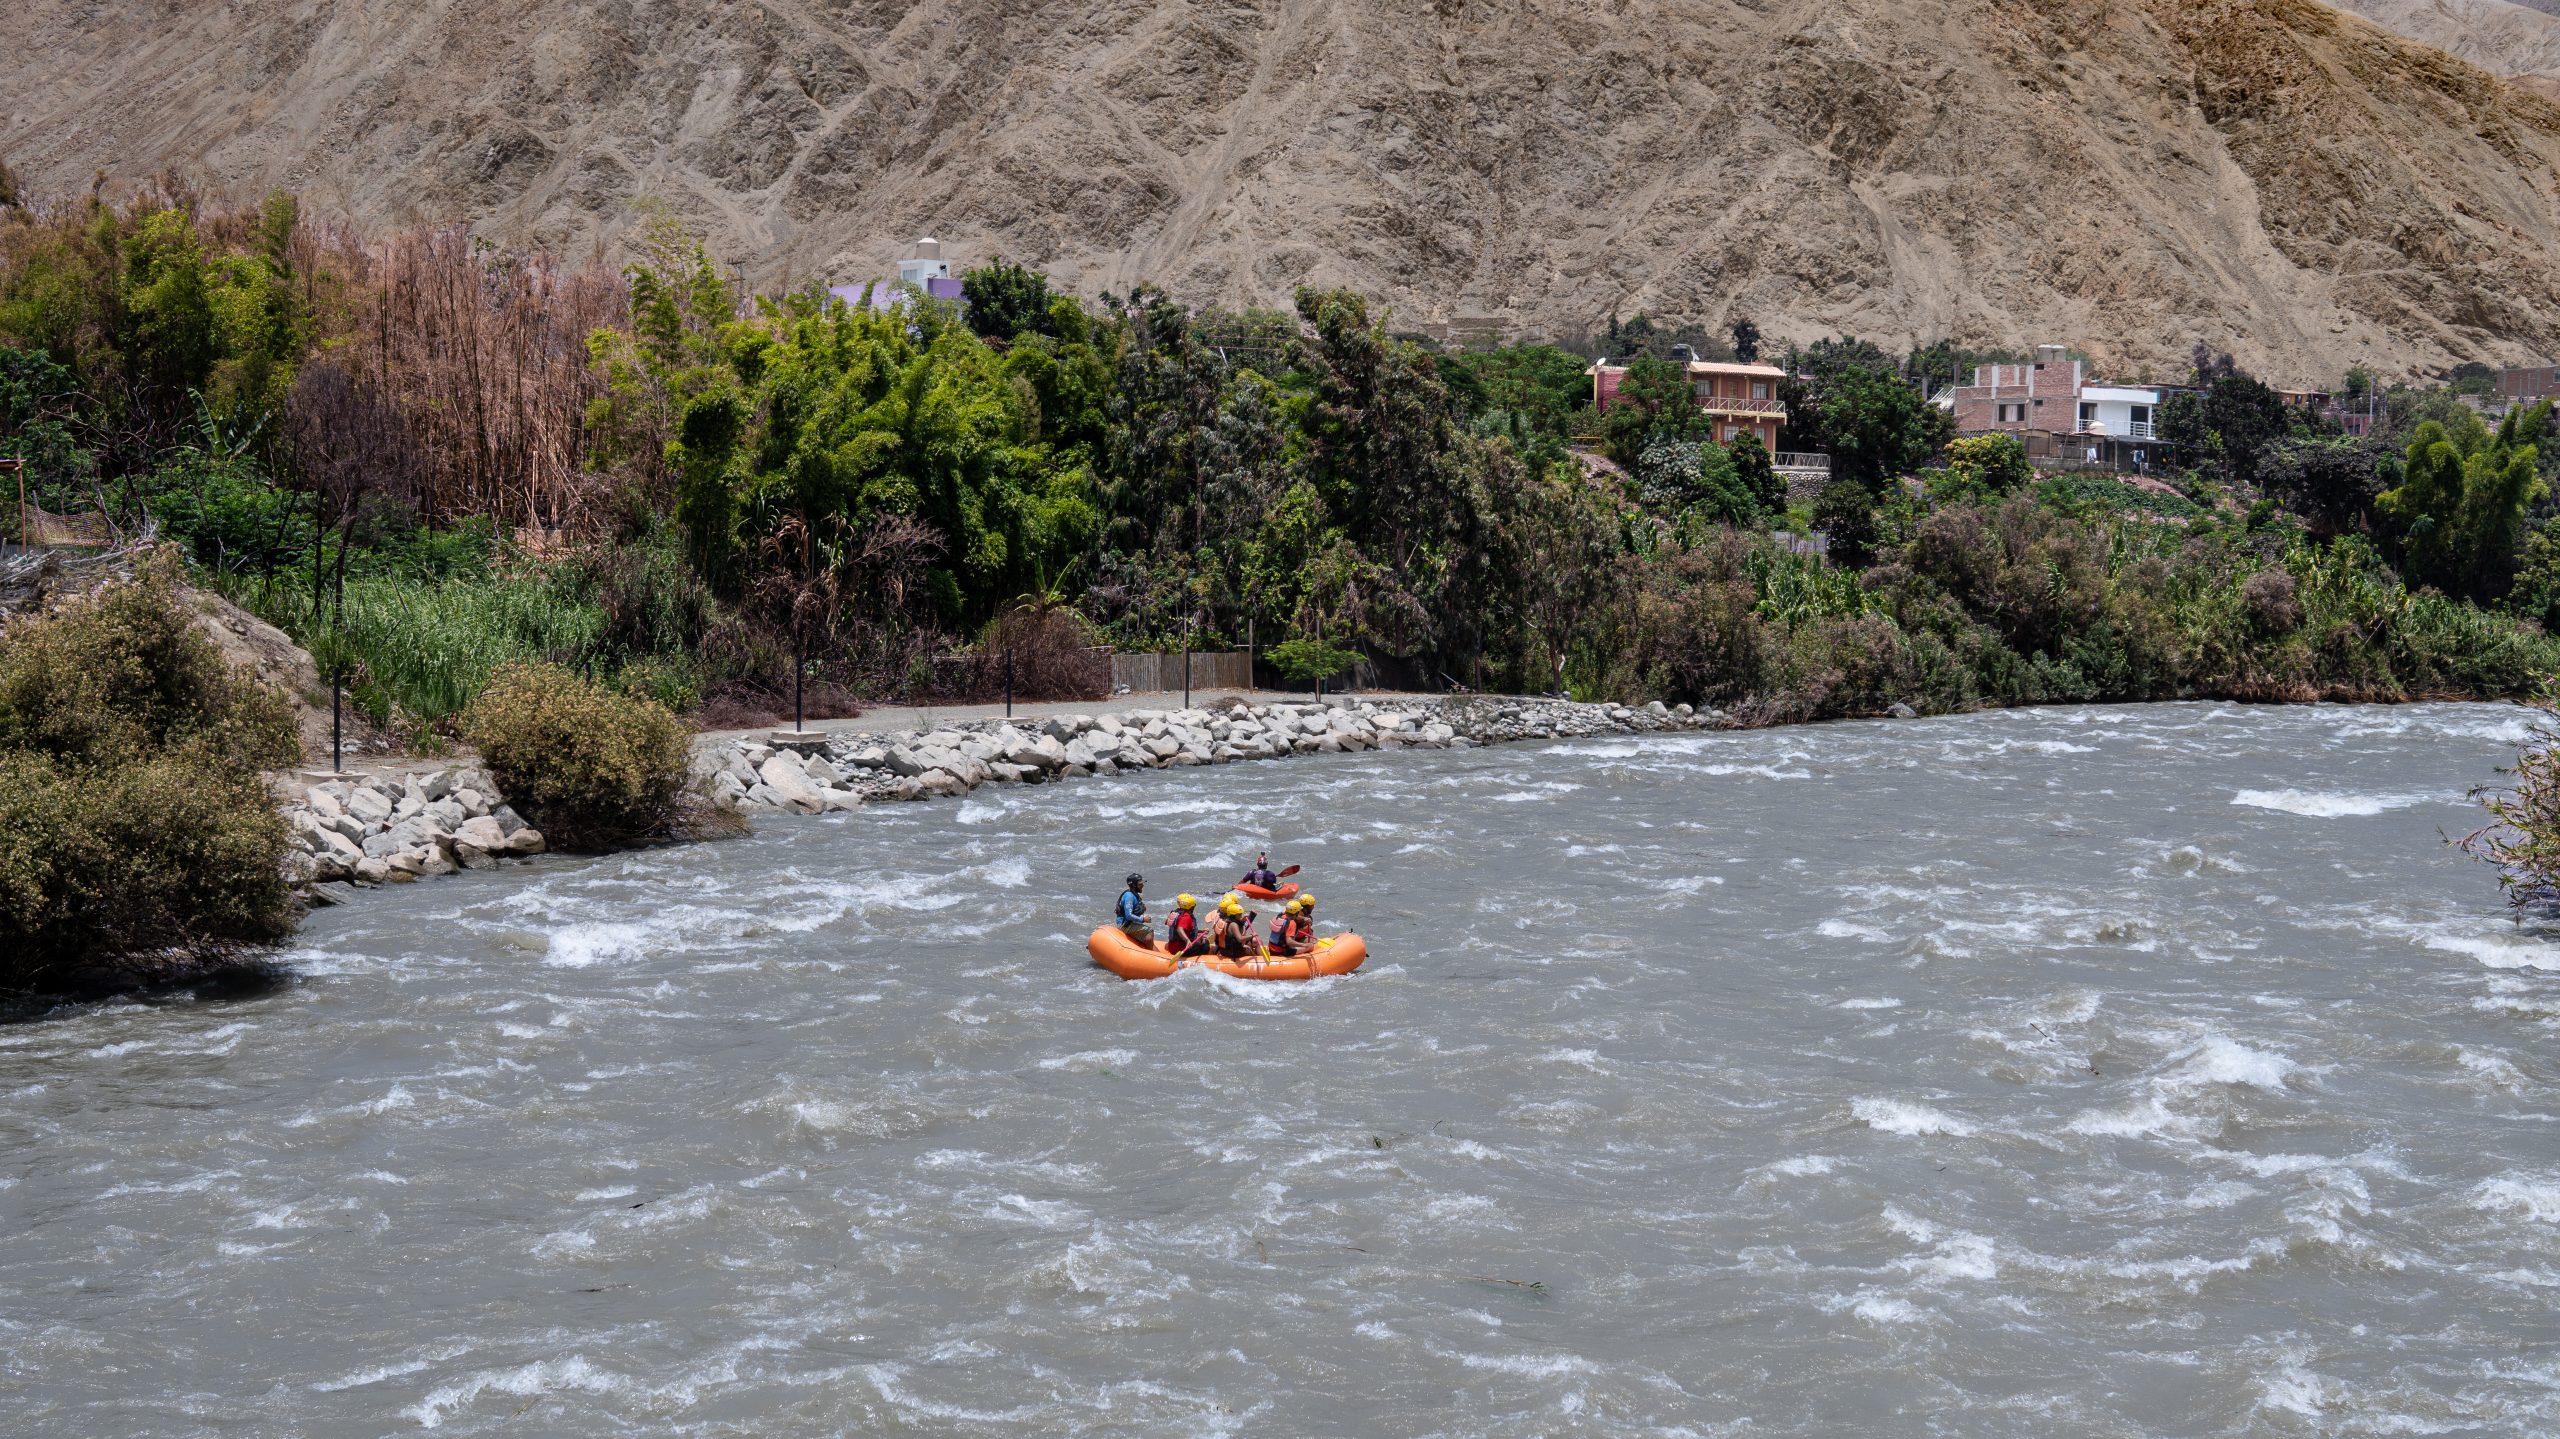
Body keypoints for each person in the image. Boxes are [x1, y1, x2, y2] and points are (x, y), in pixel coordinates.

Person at [1210, 893, 1258, 959]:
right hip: (1228, 948)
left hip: (1224, 945)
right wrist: (1251, 917)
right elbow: (1241, 932)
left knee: (1251, 942)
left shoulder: (1220, 917)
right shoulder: (1231, 923)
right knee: (1251, 944)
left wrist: (1243, 920)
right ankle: (1259, 960)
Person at [1115, 873, 1151, 946]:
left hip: (1129, 923)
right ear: (1134, 885)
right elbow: (1128, 915)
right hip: (1124, 925)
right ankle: (1152, 952)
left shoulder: (1133, 894)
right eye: (1140, 884)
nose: (1142, 885)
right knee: (1150, 931)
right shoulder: (1129, 896)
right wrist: (1143, 919)